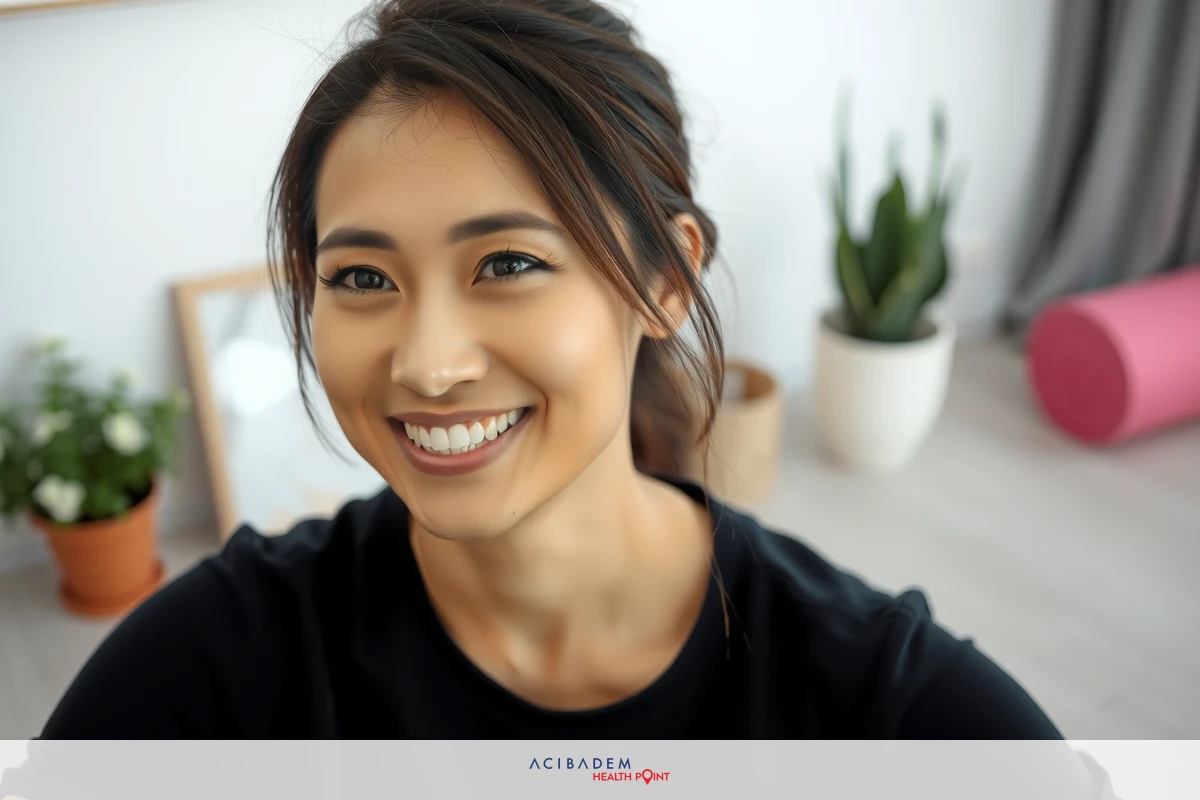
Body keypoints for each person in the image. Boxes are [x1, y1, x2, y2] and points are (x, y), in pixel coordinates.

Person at [38, 0, 1063, 739]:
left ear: (665, 278)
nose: (429, 364)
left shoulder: (886, 708)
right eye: (361, 275)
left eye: (511, 263)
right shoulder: (218, 663)